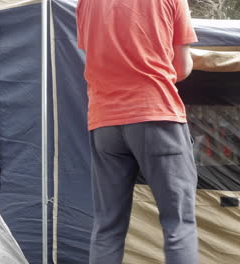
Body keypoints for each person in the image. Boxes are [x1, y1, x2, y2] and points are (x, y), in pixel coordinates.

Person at [76, 0, 198, 263]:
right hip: (156, 113)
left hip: (104, 120)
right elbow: (182, 67)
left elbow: (95, 56)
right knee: (179, 224)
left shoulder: (85, 2)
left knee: (107, 226)